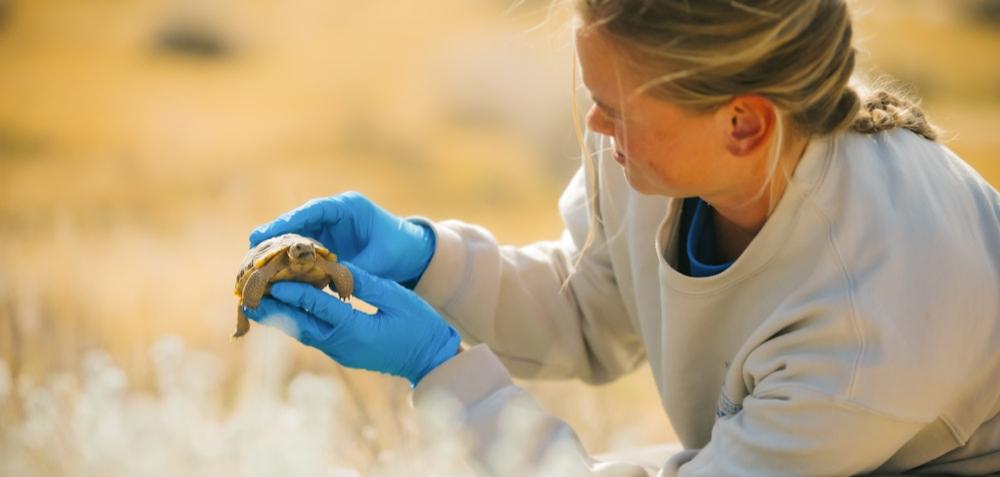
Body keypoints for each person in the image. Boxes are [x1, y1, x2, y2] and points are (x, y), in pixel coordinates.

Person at [243, 1, 1000, 475]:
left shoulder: (868, 317)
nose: (596, 126)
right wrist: (427, 258)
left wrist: (438, 370)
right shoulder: (678, 155)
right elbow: (588, 309)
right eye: (593, 95)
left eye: (618, 108)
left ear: (743, 124)